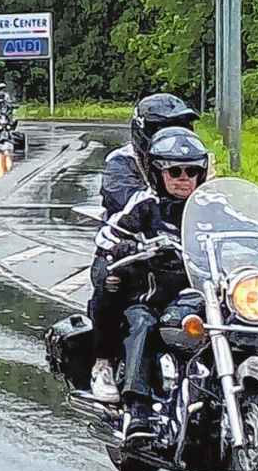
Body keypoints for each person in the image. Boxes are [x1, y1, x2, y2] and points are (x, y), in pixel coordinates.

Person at [86, 127, 209, 440]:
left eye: (192, 170)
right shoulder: (144, 207)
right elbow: (107, 235)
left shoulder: (212, 207)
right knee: (142, 323)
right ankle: (138, 412)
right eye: (175, 171)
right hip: (152, 296)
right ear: (157, 173)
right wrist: (123, 247)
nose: (184, 178)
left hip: (196, 295)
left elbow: (251, 228)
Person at [100, 94, 200, 217]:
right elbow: (128, 204)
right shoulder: (121, 162)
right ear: (143, 131)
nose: (175, 138)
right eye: (163, 129)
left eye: (182, 127)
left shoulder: (198, 161)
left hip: (188, 233)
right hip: (134, 234)